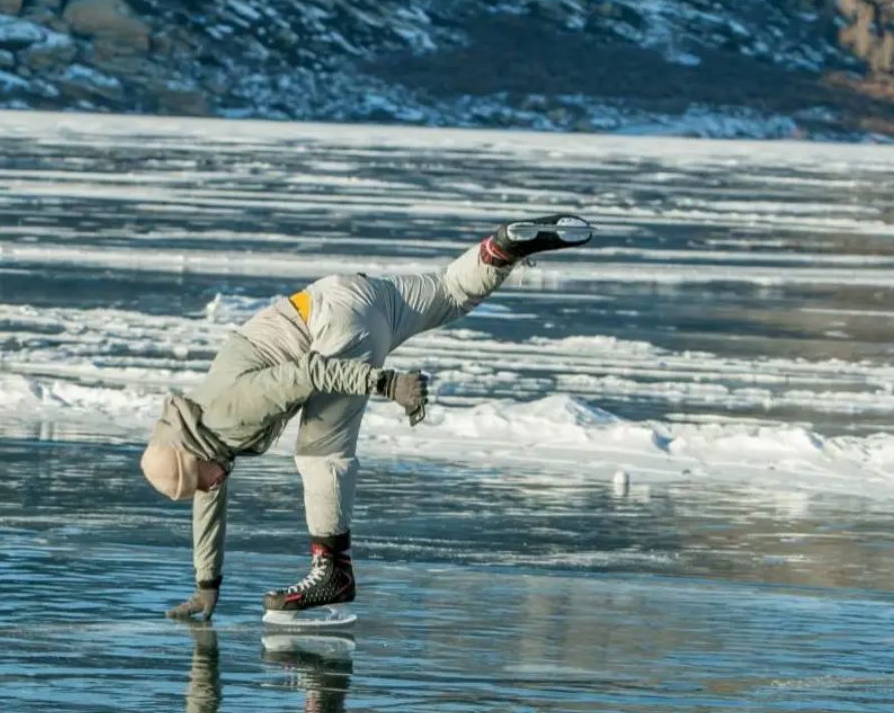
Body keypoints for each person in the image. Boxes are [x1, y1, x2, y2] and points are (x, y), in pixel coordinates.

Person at [141, 214, 594, 620]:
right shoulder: (199, 430)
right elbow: (208, 506)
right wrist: (206, 586)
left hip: (331, 325)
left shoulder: (229, 412)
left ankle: (332, 573)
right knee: (451, 292)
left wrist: (387, 384)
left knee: (321, 454)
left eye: (199, 481)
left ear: (193, 455)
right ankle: (500, 250)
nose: (208, 488)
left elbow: (309, 372)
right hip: (350, 294)